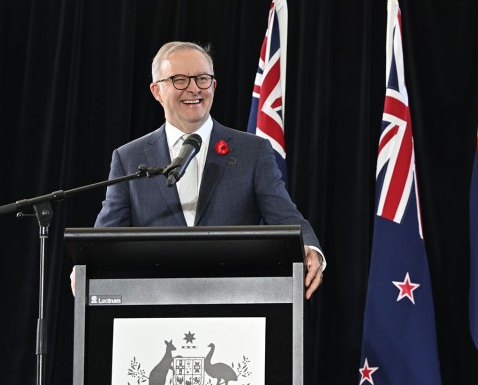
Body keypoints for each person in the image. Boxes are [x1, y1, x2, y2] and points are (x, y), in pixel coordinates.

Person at [81, 41, 324, 298]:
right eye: (179, 80)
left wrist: (310, 248)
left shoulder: (252, 151)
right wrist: (86, 265)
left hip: (235, 302)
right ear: (156, 91)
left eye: (202, 78)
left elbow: (285, 216)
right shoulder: (129, 158)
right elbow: (106, 239)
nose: (194, 88)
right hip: (155, 304)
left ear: (214, 86)